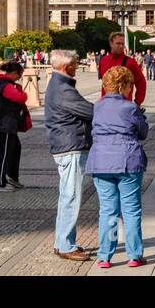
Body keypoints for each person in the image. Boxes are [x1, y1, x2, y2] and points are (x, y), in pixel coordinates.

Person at [88, 66, 148, 269]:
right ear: (123, 86)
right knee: (131, 211)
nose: (131, 89)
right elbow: (142, 133)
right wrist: (141, 116)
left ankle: (105, 256)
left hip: (101, 162)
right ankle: (134, 255)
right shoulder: (130, 108)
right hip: (127, 162)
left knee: (108, 211)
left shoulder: (97, 106)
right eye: (130, 85)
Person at [44, 49, 94, 262]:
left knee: (68, 196)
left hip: (67, 146)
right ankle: (66, 245)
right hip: (70, 147)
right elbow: (90, 111)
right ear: (66, 66)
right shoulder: (63, 89)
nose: (77, 66)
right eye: (75, 63)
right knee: (71, 197)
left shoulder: (59, 84)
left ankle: (62, 242)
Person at [0, 61, 30, 190]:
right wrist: (24, 94)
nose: (19, 78)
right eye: (19, 75)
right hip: (4, 123)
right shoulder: (5, 86)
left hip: (4, 123)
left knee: (15, 148)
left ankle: (11, 177)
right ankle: (2, 181)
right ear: (13, 73)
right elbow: (20, 98)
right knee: (5, 152)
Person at [97, 32, 146, 106]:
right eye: (118, 43)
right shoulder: (104, 60)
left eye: (123, 44)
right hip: (106, 104)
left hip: (123, 106)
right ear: (111, 43)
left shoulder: (130, 62)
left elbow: (141, 82)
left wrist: (137, 103)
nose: (121, 46)